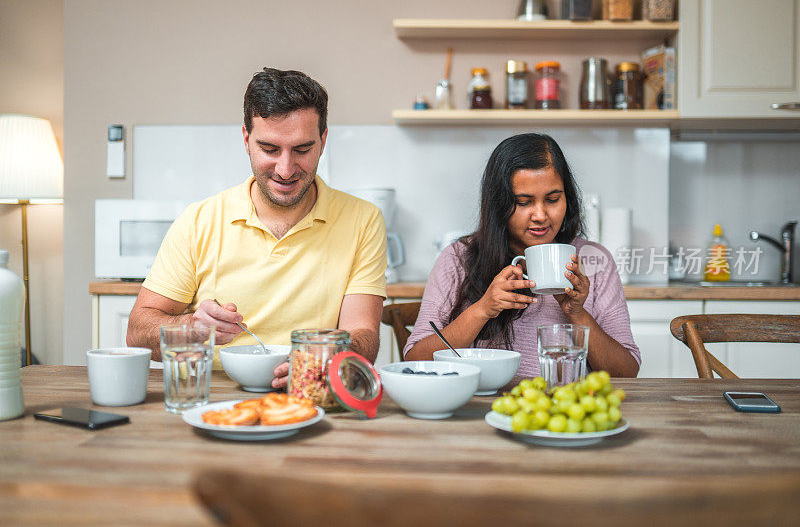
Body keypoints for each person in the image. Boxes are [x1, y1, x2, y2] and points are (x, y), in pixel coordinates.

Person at [127, 68, 387, 388]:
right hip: (210, 395)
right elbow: (137, 333)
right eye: (270, 149)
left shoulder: (363, 220)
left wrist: (320, 359)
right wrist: (192, 326)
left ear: (323, 140)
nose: (285, 169)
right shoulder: (199, 220)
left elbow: (364, 335)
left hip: (309, 391)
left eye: (302, 150)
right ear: (246, 140)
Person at [404, 133, 640, 378]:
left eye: (552, 199)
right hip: (481, 409)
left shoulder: (594, 260)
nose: (540, 215)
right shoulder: (457, 258)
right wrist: (483, 309)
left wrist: (577, 313)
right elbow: (415, 360)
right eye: (524, 202)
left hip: (566, 410)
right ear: (499, 204)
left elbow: (626, 372)